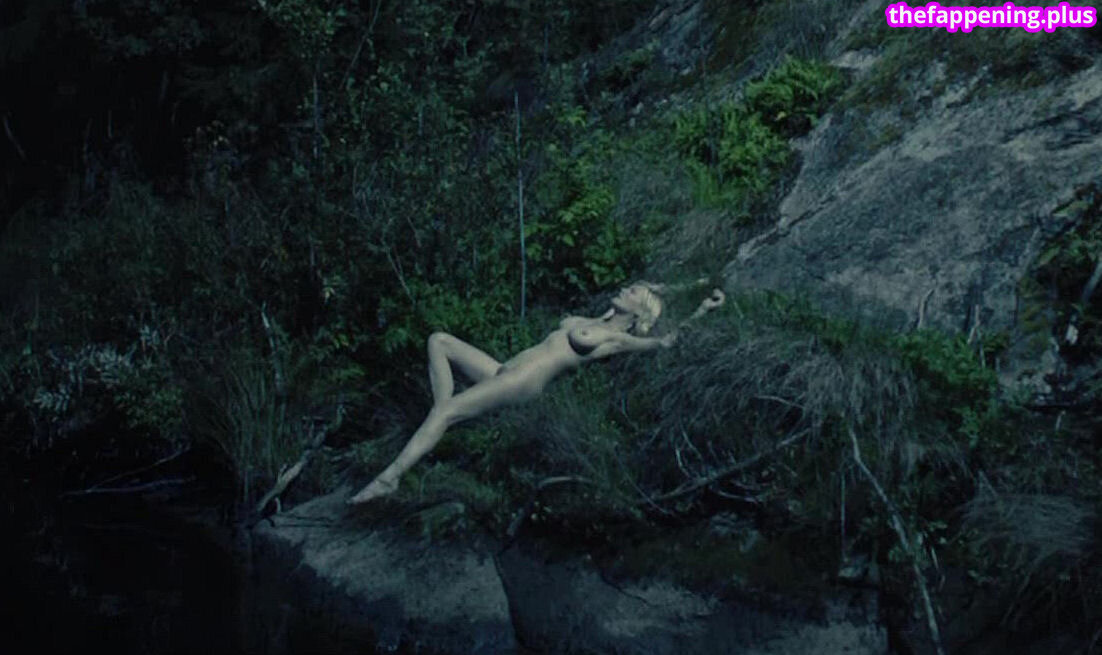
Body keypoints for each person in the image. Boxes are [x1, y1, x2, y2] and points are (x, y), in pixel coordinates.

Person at [347, 282, 725, 504]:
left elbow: (665, 341)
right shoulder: (594, 320)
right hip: (503, 369)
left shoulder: (616, 338)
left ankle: (391, 476)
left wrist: (702, 309)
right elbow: (653, 286)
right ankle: (442, 418)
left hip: (523, 382)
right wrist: (682, 286)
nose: (625, 289)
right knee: (439, 341)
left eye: (633, 292)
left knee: (444, 414)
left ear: (640, 310)